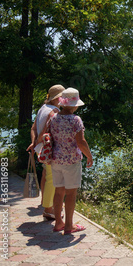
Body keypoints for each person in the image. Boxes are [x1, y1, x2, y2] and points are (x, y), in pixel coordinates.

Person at [46, 87, 93, 235]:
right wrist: (89, 156)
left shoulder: (53, 117)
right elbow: (81, 142)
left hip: (56, 159)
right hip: (71, 161)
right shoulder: (75, 120)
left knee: (58, 192)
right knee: (71, 194)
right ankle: (69, 226)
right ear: (73, 104)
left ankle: (58, 223)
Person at [27, 84, 65, 221]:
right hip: (48, 149)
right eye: (63, 97)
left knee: (47, 176)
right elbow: (45, 131)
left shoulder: (42, 108)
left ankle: (47, 204)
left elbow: (33, 128)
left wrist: (34, 142)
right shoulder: (53, 111)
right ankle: (49, 210)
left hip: (40, 149)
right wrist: (38, 142)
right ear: (57, 98)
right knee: (52, 179)